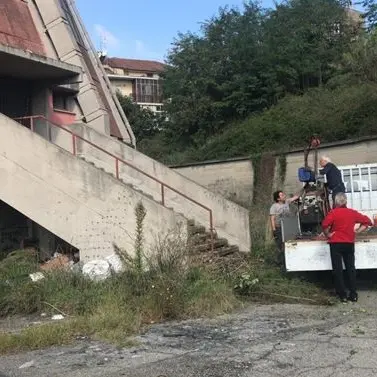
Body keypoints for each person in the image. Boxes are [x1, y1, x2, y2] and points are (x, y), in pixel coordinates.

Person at [322, 192, 372, 303]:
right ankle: (353, 294)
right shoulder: (352, 213)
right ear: (346, 201)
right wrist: (357, 231)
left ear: (335, 202)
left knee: (338, 270)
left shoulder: (333, 213)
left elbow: (324, 225)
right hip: (349, 243)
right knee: (351, 269)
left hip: (336, 244)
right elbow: (367, 221)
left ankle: (342, 295)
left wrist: (328, 234)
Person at [270, 190, 300, 264]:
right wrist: (274, 230)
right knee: (280, 245)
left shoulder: (287, 202)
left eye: (283, 194)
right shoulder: (274, 206)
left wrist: (305, 188)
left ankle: (289, 260)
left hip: (287, 227)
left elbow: (296, 197)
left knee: (289, 243)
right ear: (278, 199)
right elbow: (272, 219)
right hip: (279, 228)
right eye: (282, 195)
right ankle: (279, 261)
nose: (284, 196)